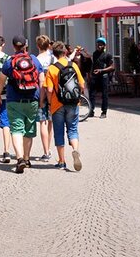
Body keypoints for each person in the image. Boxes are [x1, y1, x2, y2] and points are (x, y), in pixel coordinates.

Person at [0, 35, 45, 174]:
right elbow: (42, 80)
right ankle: (27, 159)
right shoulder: (34, 60)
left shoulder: (9, 62)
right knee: (29, 130)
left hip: (14, 100)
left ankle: (20, 158)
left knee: (16, 129)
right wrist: (41, 99)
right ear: (25, 46)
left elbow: (1, 80)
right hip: (32, 99)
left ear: (13, 47)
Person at [46, 41, 86, 171]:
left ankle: (62, 161)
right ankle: (75, 149)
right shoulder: (73, 65)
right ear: (65, 52)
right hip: (73, 103)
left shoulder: (52, 69)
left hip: (57, 104)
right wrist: (78, 95)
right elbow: (82, 85)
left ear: (54, 54)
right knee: (73, 129)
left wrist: (49, 103)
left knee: (59, 132)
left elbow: (49, 90)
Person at [35, 35, 56, 161]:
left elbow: (40, 80)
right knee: (50, 122)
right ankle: (49, 147)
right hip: (53, 93)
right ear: (49, 45)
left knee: (42, 122)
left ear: (38, 46)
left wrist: (40, 99)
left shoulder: (37, 59)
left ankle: (46, 151)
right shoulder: (53, 58)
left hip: (41, 93)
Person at [88, 37, 114, 118]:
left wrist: (101, 70)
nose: (99, 46)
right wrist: (90, 74)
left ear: (104, 46)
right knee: (92, 94)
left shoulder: (108, 55)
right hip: (95, 77)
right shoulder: (95, 54)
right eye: (98, 44)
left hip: (104, 77)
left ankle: (104, 112)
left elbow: (112, 67)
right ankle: (91, 110)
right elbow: (93, 65)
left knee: (104, 95)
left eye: (101, 45)